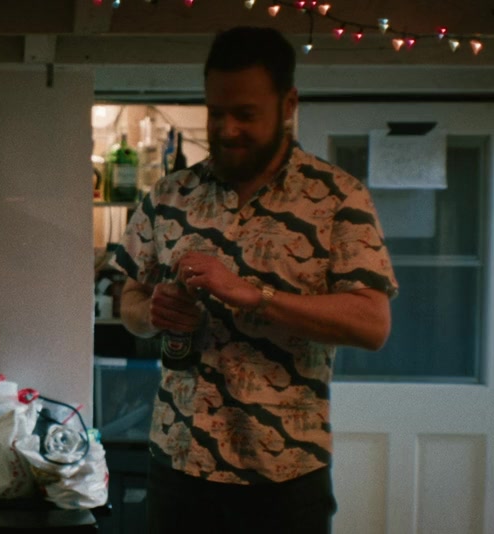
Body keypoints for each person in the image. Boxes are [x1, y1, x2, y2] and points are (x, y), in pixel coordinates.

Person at [115, 26, 398, 533]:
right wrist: (151, 312)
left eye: (245, 114)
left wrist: (254, 296)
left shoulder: (339, 197)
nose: (226, 130)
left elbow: (372, 324)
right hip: (178, 468)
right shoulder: (170, 194)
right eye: (216, 113)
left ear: (288, 104)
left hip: (285, 479)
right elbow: (130, 301)